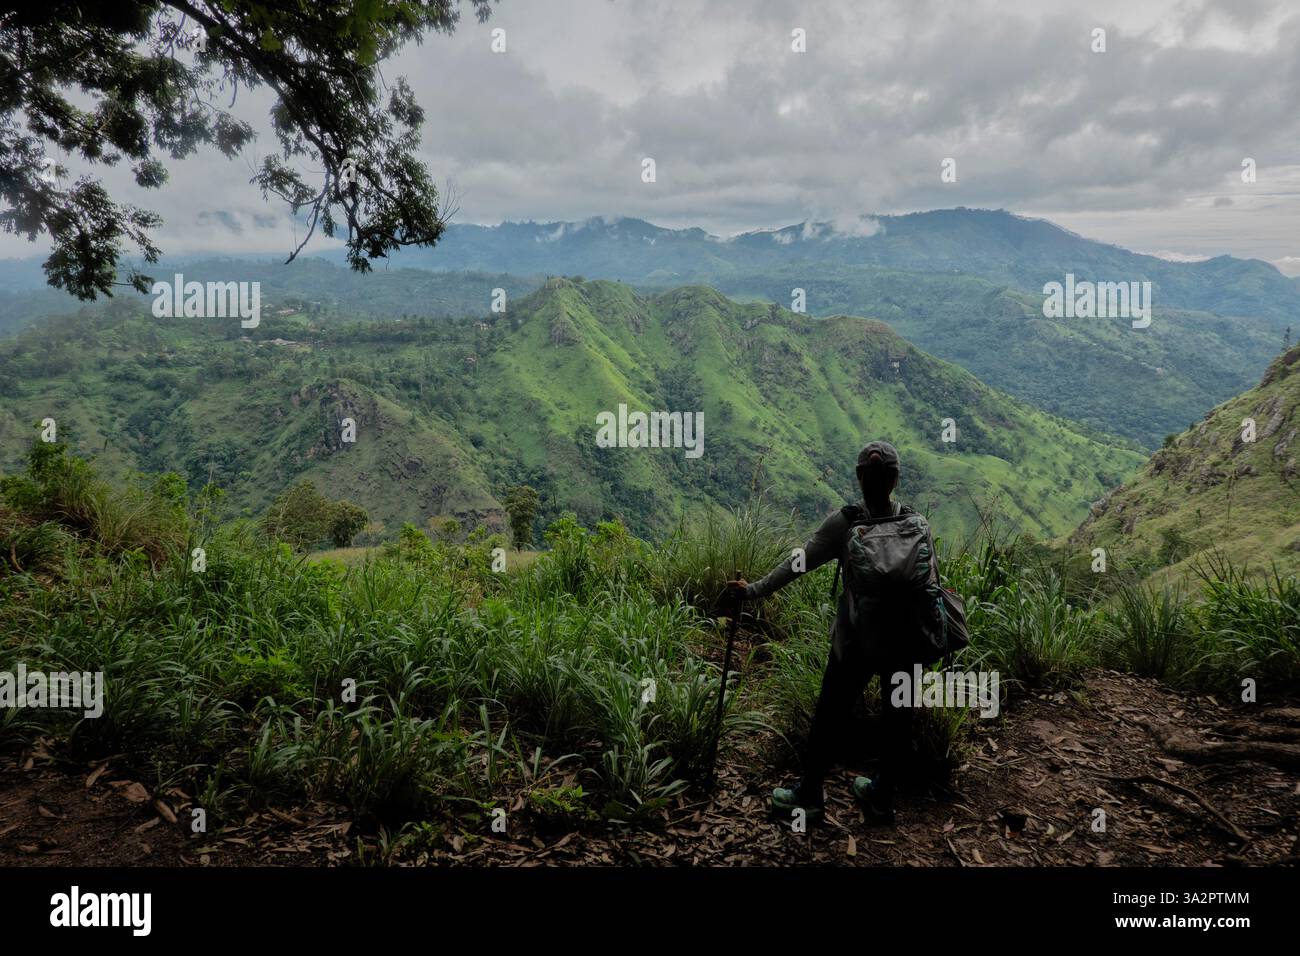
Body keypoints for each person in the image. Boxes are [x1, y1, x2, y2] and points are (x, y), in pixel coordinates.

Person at [726, 439, 933, 824]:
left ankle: (809, 796)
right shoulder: (915, 523)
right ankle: (882, 798)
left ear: (859, 477)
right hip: (906, 640)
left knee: (830, 716)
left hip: (856, 643)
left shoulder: (846, 523)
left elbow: (798, 563)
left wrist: (752, 591)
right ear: (896, 479)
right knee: (898, 717)